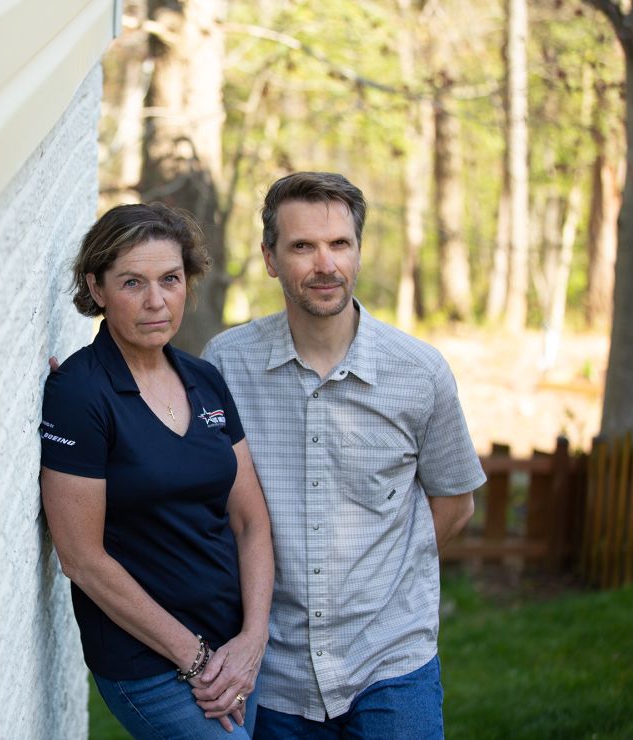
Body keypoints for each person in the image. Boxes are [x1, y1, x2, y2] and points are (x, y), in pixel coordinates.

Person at [202, 172, 486, 739]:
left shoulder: (419, 373)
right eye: (302, 246)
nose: (324, 264)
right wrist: (96, 387)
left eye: (339, 244)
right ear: (270, 258)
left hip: (390, 661)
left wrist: (383, 582)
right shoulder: (225, 366)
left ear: (359, 250)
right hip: (271, 667)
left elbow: (454, 505)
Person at [40, 203, 275, 739]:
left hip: (232, 648)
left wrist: (253, 636)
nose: (155, 301)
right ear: (96, 289)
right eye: (132, 283)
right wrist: (192, 656)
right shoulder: (81, 393)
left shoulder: (204, 380)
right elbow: (82, 559)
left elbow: (250, 522)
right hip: (147, 659)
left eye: (170, 279)